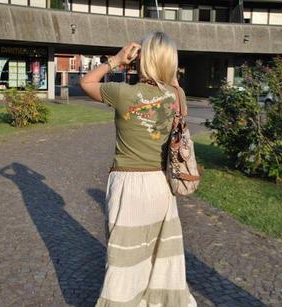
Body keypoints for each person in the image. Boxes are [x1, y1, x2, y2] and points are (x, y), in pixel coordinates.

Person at [80, 31, 197, 307]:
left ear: (142, 60)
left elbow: (86, 82)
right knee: (160, 257)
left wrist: (117, 60)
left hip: (128, 185)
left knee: (125, 259)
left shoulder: (122, 93)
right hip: (159, 185)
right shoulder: (177, 96)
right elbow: (173, 83)